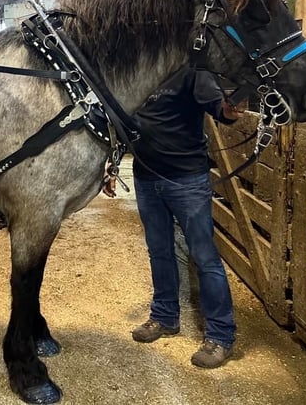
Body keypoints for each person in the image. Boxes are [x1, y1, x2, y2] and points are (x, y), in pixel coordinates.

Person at [104, 65, 244, 369]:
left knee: (204, 256)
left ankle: (221, 335)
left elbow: (222, 111)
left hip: (187, 180)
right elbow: (123, 122)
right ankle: (165, 316)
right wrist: (112, 166)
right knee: (159, 251)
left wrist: (230, 109)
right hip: (145, 177)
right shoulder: (138, 70)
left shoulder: (192, 71)